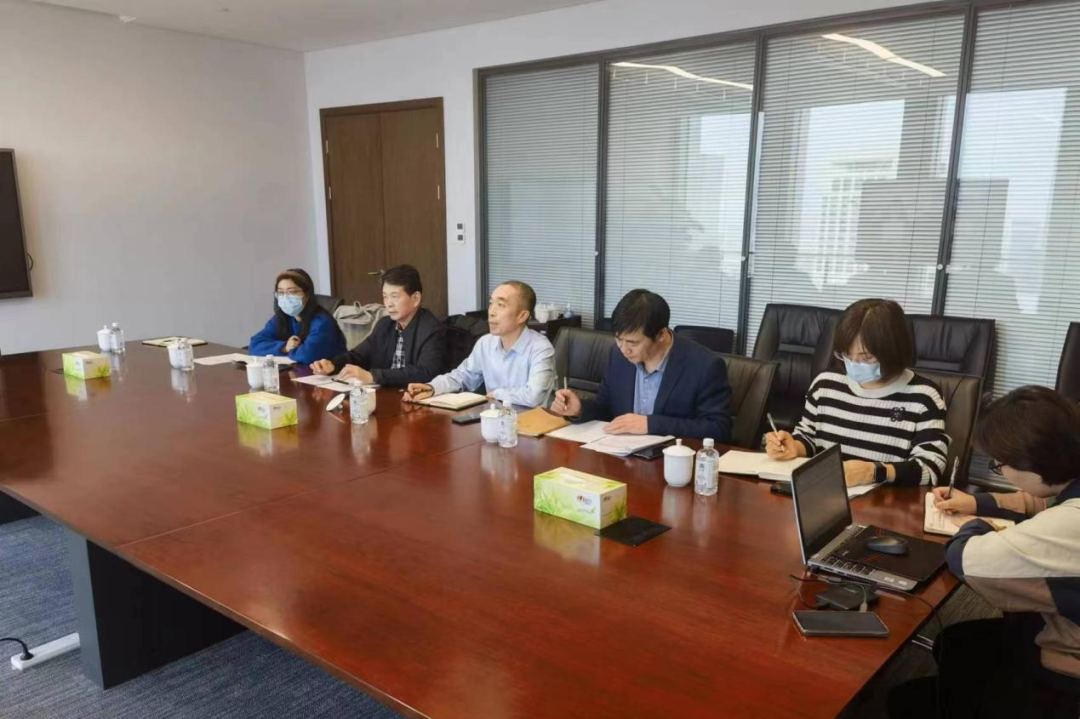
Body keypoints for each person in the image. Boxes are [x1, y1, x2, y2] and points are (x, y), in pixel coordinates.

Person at [888, 386, 1080, 719]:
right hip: (1058, 623)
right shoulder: (1069, 474)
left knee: (906, 700)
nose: (1001, 471)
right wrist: (977, 502)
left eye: (999, 465)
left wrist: (977, 524)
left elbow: (966, 558)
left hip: (1066, 664)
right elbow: (1043, 499)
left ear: (1034, 462)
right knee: (954, 643)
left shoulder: (1071, 522)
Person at [765, 298, 949, 486]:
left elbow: (931, 468)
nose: (853, 364)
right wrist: (793, 447)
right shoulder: (825, 385)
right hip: (826, 494)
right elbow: (809, 437)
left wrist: (874, 472)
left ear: (893, 351)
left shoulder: (924, 396)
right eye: (846, 355)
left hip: (885, 500)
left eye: (866, 357)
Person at [550, 289, 732, 439]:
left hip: (671, 460)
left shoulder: (704, 366)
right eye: (619, 339)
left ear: (661, 335)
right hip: (622, 454)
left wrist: (650, 424)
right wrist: (580, 409)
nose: (624, 349)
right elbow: (607, 405)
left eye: (633, 342)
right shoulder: (617, 354)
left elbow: (718, 428)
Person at [403, 281, 554, 407]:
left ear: (522, 316)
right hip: (494, 420)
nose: (492, 312)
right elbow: (462, 376)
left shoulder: (540, 348)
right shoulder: (486, 343)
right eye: (491, 303)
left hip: (532, 426)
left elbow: (534, 395)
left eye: (501, 305)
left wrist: (497, 394)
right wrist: (432, 387)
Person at [309, 265, 446, 387]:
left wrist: (373, 376)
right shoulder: (385, 324)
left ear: (415, 298)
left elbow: (426, 372)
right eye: (385, 296)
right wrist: (333, 364)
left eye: (394, 296)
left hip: (416, 399)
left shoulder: (432, 329)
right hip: (385, 394)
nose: (388, 304)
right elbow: (359, 355)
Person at [249, 268, 346, 366]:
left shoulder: (322, 322)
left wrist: (283, 349)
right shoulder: (283, 317)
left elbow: (307, 355)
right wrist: (284, 347)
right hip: (298, 371)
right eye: (281, 293)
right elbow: (254, 345)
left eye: (292, 292)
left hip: (332, 373)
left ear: (307, 295)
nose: (286, 297)